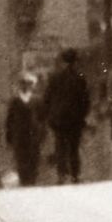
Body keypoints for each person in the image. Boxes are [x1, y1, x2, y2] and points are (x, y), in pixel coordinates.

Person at [41, 48, 92, 184]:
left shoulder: (54, 77)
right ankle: (75, 174)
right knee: (74, 147)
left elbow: (47, 98)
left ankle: (61, 174)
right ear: (75, 61)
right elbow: (85, 100)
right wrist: (82, 115)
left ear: (63, 61)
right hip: (75, 119)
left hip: (58, 119)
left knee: (60, 146)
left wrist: (49, 115)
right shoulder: (79, 78)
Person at [3, 72, 46, 187]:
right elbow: (10, 120)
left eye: (29, 84)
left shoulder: (37, 100)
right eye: (23, 84)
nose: (26, 86)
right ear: (20, 85)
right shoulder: (15, 101)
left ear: (32, 85)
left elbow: (42, 118)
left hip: (33, 133)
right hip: (20, 133)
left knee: (34, 157)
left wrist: (42, 134)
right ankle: (24, 180)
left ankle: (32, 180)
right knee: (21, 157)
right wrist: (9, 136)